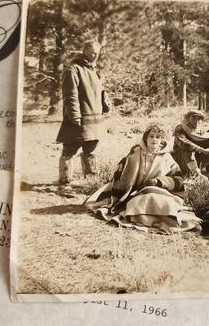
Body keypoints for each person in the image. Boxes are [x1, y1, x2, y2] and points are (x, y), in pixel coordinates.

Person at [85, 124, 201, 234]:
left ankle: (173, 222)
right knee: (142, 202)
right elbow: (122, 172)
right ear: (146, 138)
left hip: (160, 191)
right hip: (135, 192)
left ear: (162, 140)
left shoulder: (166, 157)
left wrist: (159, 181)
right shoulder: (136, 152)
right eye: (151, 136)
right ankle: (157, 222)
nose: (154, 139)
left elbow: (178, 180)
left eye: (158, 137)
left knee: (162, 201)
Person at [56, 39, 109, 194]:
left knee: (90, 149)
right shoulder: (72, 69)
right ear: (84, 51)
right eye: (92, 53)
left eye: (97, 54)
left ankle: (90, 180)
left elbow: (101, 91)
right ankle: (64, 183)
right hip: (78, 119)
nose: (94, 56)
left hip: (95, 120)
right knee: (69, 150)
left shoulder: (94, 70)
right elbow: (70, 95)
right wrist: (74, 117)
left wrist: (106, 106)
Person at [171, 110, 209, 177]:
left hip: (194, 158)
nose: (197, 121)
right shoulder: (180, 128)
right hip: (180, 158)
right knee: (187, 150)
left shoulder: (199, 131)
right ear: (188, 118)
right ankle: (195, 173)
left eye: (199, 119)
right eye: (194, 118)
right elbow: (184, 143)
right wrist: (202, 150)